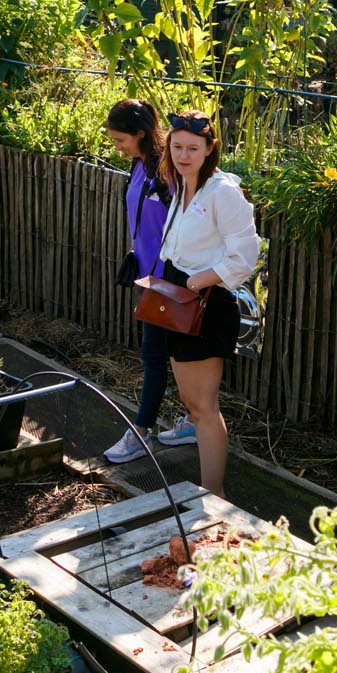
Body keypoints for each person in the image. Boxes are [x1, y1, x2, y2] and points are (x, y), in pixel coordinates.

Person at [154, 111, 260, 497]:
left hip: (205, 300)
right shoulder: (183, 184)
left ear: (209, 149)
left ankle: (214, 496)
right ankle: (209, 492)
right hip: (178, 293)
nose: (183, 155)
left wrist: (199, 280)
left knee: (202, 407)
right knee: (192, 403)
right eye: (177, 147)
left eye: (192, 149)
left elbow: (246, 253)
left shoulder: (223, 192)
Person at [101, 100, 201, 465]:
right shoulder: (140, 166)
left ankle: (140, 433)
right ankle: (190, 422)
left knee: (154, 357)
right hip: (149, 278)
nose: (117, 147)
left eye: (120, 139)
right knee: (171, 355)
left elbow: (188, 221)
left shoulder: (168, 172)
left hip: (167, 281)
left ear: (140, 133)